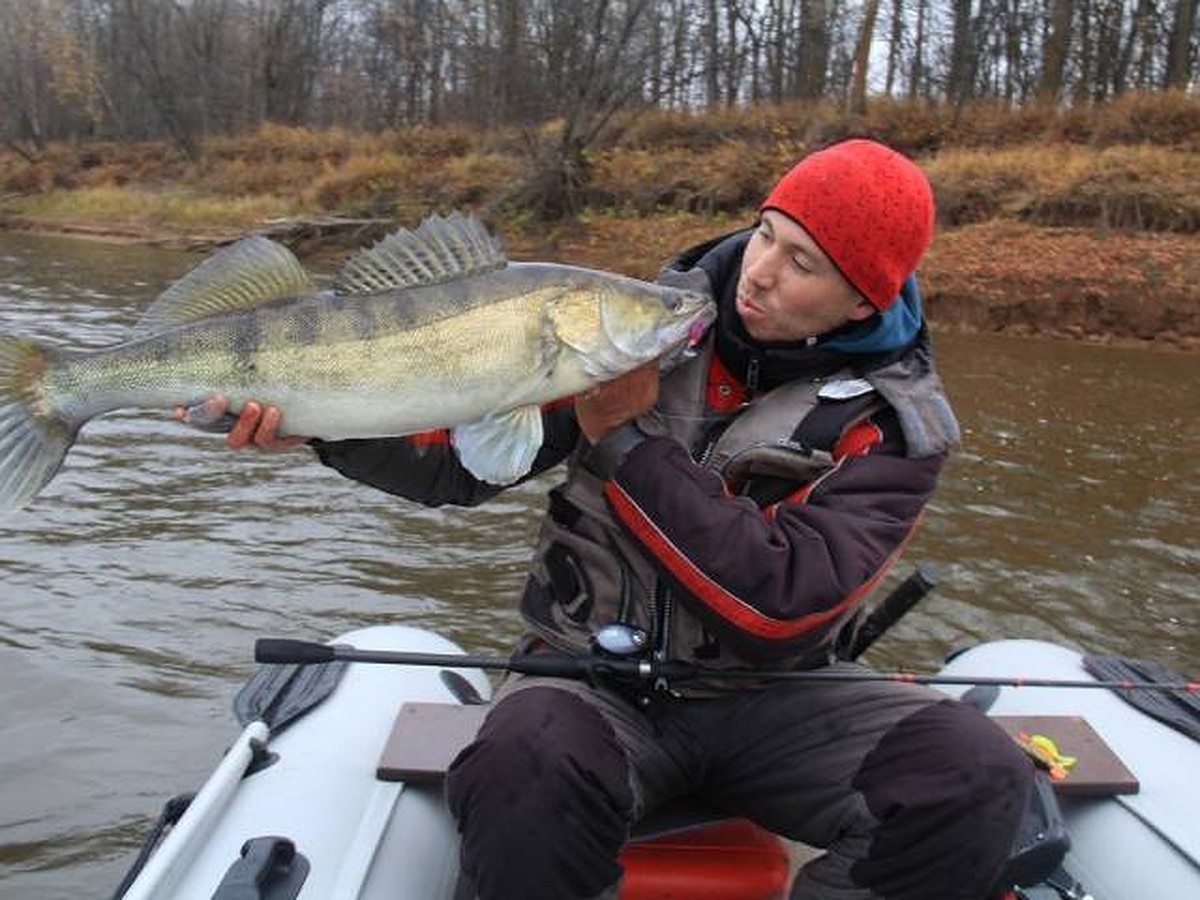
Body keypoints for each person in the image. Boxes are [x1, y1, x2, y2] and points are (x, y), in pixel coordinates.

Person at [202, 138, 1034, 899]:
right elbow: (458, 468)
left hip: (773, 697)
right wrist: (328, 424)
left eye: (803, 263)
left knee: (978, 777)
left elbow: (780, 604)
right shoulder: (614, 323)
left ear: (861, 302)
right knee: (523, 760)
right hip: (585, 678)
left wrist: (629, 440)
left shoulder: (894, 427)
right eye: (767, 232)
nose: (761, 270)